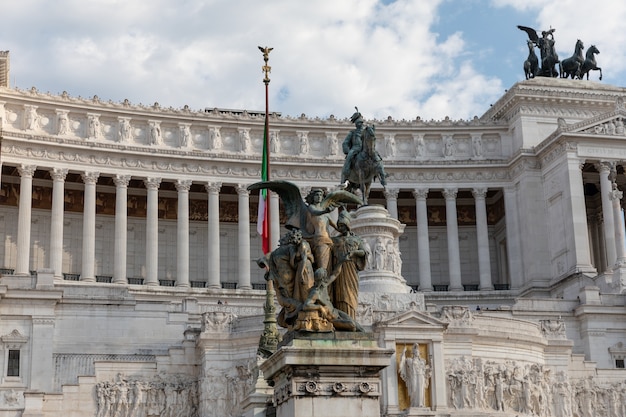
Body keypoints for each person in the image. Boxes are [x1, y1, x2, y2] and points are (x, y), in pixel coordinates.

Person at [330, 211, 367, 319]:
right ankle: (342, 319)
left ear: (347, 225)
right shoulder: (334, 240)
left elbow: (363, 252)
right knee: (340, 294)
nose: (341, 228)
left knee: (350, 294)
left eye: (343, 225)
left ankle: (351, 320)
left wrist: (354, 252)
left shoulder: (356, 239)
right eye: (339, 225)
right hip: (339, 268)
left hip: (350, 268)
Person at [341, 109, 387, 186]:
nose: (360, 124)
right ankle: (345, 174)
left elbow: (372, 139)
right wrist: (347, 151)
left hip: (366, 149)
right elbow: (345, 143)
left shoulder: (366, 131)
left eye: (361, 122)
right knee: (349, 157)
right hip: (355, 149)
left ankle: (382, 175)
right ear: (356, 124)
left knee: (377, 158)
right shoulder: (352, 133)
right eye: (359, 123)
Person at [399, 343, 431, 408]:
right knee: (414, 389)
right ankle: (413, 404)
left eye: (418, 352)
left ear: (419, 353)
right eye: (415, 352)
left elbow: (426, 369)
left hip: (421, 376)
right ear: (413, 353)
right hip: (413, 376)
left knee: (421, 390)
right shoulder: (410, 360)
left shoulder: (422, 361)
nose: (417, 353)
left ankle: (421, 404)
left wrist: (431, 363)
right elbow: (403, 362)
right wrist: (403, 352)